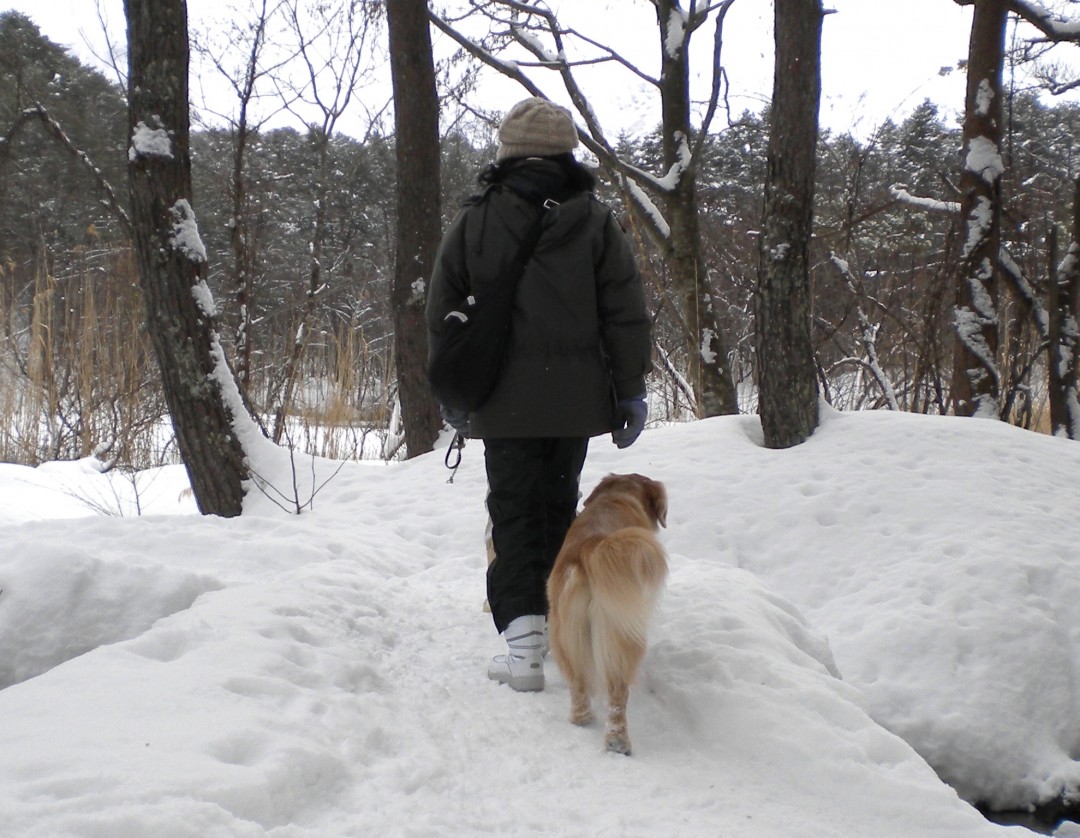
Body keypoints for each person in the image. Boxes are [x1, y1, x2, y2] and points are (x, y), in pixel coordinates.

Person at [426, 97, 652, 692]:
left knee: (514, 511)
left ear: (507, 154)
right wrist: (629, 391)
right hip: (576, 402)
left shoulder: (476, 221)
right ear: (567, 155)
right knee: (557, 506)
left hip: (502, 401)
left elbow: (442, 308)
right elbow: (625, 312)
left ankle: (523, 648)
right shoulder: (595, 221)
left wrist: (453, 390)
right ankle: (559, 626)